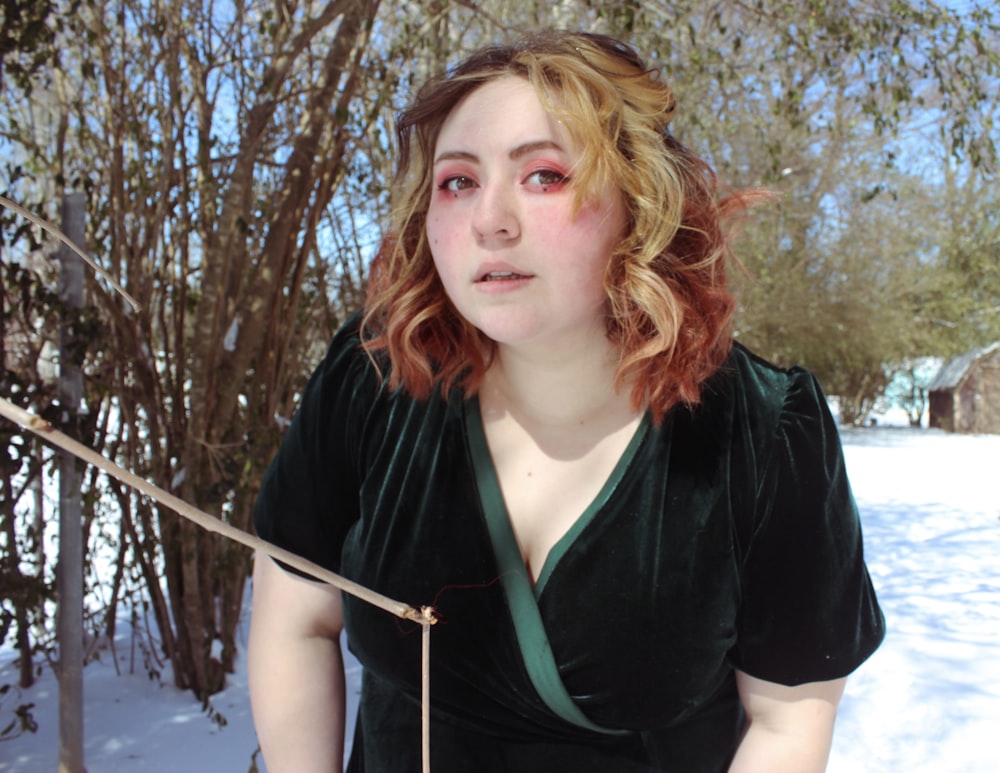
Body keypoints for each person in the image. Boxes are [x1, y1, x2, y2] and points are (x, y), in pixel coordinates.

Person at [247, 30, 885, 773]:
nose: (491, 219)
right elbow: (295, 620)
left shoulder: (764, 431)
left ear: (638, 203)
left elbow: (788, 722)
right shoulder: (376, 375)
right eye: (457, 181)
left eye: (543, 175)